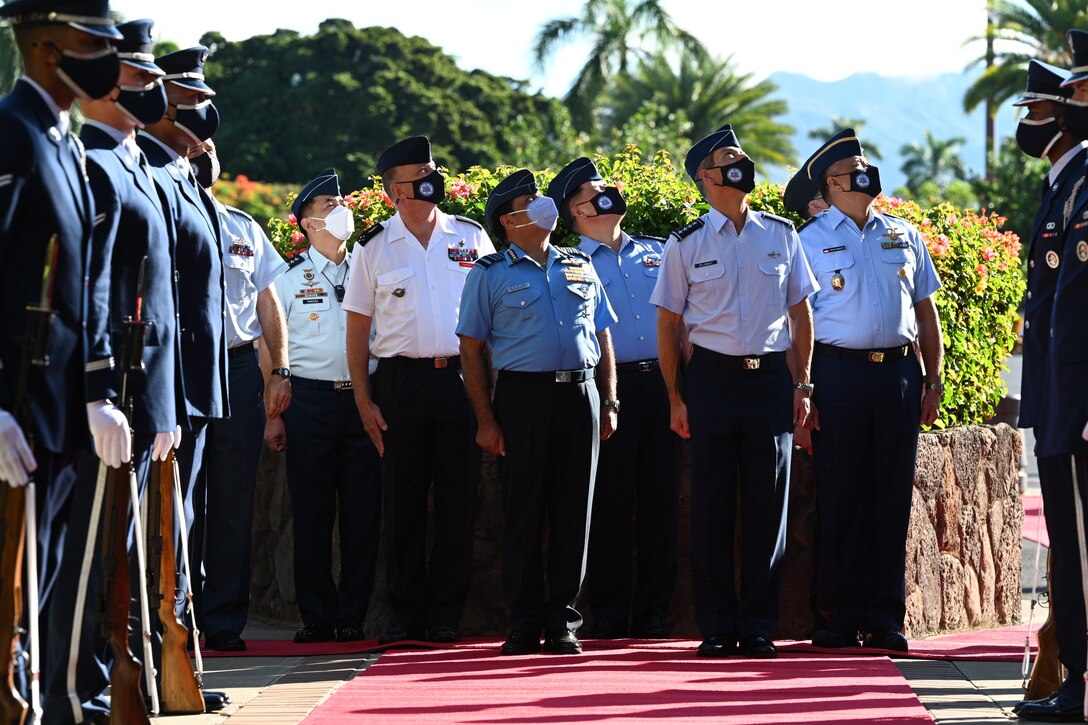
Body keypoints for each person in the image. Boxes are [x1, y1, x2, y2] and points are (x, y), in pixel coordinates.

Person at [651, 124, 816, 659]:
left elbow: (801, 312)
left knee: (768, 509)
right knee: (712, 508)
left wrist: (803, 383)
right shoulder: (686, 244)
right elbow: (669, 324)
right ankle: (718, 626)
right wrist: (676, 397)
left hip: (770, 379)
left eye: (742, 156)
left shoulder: (782, 235)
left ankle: (759, 624)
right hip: (712, 381)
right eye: (729, 159)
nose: (741, 164)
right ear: (705, 176)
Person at [457, 168, 618, 656]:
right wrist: (485, 418)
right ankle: (525, 621)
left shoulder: (578, 263)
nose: (543, 205)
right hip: (523, 399)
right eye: (529, 201)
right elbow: (471, 349)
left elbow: (603, 334)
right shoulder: (489, 273)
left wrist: (609, 398)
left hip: (581, 394)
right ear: (509, 220)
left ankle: (563, 620)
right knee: (524, 511)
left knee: (576, 513)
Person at [342, 136, 493, 644]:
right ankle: (407, 615)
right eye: (417, 176)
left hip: (461, 378)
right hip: (400, 382)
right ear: (394, 192)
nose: (431, 181)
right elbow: (358, 328)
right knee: (402, 500)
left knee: (458, 500)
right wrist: (364, 401)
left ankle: (446, 613)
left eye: (433, 170)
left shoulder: (471, 237)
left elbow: (495, 315)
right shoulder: (373, 247)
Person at [796, 128, 943, 653]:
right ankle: (836, 617)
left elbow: (926, 311)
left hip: (899, 376)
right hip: (839, 377)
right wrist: (804, 389)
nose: (865, 173)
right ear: (832, 184)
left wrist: (934, 379)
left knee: (890, 498)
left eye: (866, 165)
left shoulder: (903, 234)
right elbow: (799, 323)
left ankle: (884, 619)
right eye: (853, 169)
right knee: (839, 498)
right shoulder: (807, 241)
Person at [545, 157, 680, 639]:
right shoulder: (568, 262)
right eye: (596, 195)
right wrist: (605, 396)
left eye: (610, 190)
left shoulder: (658, 252)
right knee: (608, 505)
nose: (609, 198)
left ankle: (654, 612)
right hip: (608, 387)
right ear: (577, 212)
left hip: (662, 385)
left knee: (661, 502)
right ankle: (607, 612)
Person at [136, 45, 231, 647]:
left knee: (184, 517)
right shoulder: (149, 170)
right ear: (161, 104)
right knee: (160, 521)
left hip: (197, 378)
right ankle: (152, 645)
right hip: (170, 378)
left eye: (203, 101)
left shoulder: (181, 174)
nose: (200, 114)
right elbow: (154, 289)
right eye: (189, 101)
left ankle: (178, 650)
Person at [264, 169, 381, 644]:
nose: (341, 209)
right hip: (307, 401)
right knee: (310, 513)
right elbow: (268, 346)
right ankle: (316, 618)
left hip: (362, 400)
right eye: (328, 205)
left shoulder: (368, 268)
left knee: (362, 514)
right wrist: (272, 414)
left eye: (341, 200)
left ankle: (352, 616)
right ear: (307, 224)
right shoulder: (288, 278)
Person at [196, 138, 290, 650]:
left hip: (237, 371)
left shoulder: (243, 226)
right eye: (195, 144)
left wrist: (280, 371)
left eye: (209, 145)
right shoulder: (163, 214)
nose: (203, 153)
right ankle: (175, 618)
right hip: (185, 369)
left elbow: (268, 302)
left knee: (233, 501)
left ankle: (224, 623)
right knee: (182, 500)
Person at [1019, 29, 1088, 723]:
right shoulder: (1070, 185)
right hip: (1063, 398)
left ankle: (1080, 679)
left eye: (1077, 94)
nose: (1067, 110)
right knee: (1072, 546)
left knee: (1081, 547)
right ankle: (1074, 674)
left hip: (1079, 402)